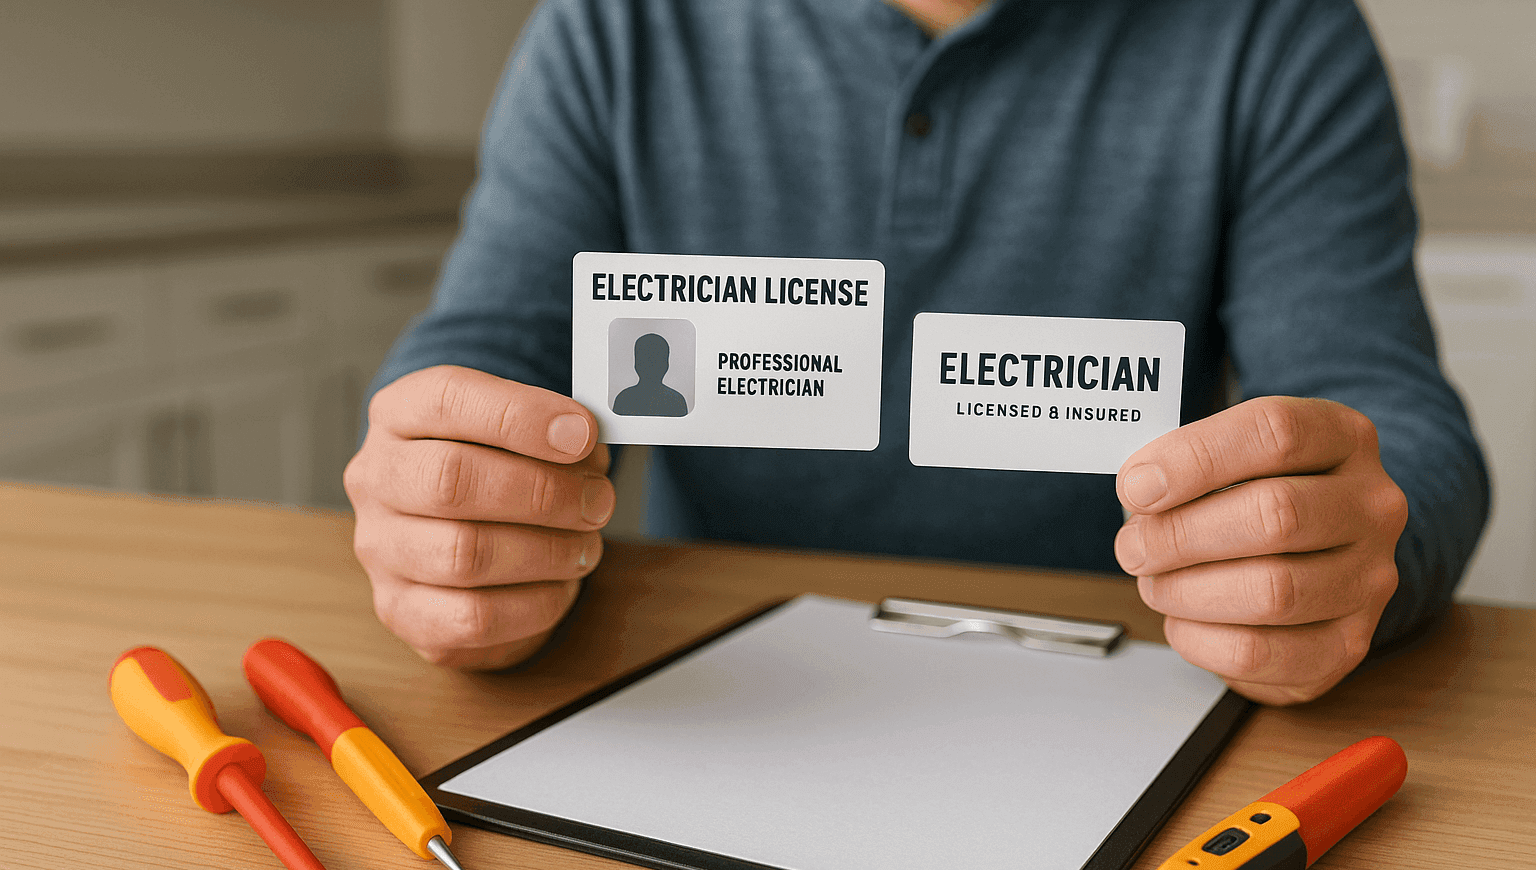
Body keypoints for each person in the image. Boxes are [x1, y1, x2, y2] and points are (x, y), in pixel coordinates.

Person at [345, 0, 1488, 705]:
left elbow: (1394, 418)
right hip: (701, 681)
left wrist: (1347, 559)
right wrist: (450, 508)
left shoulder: (1278, 28)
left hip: (1125, 689)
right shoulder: (612, 24)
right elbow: (485, 347)